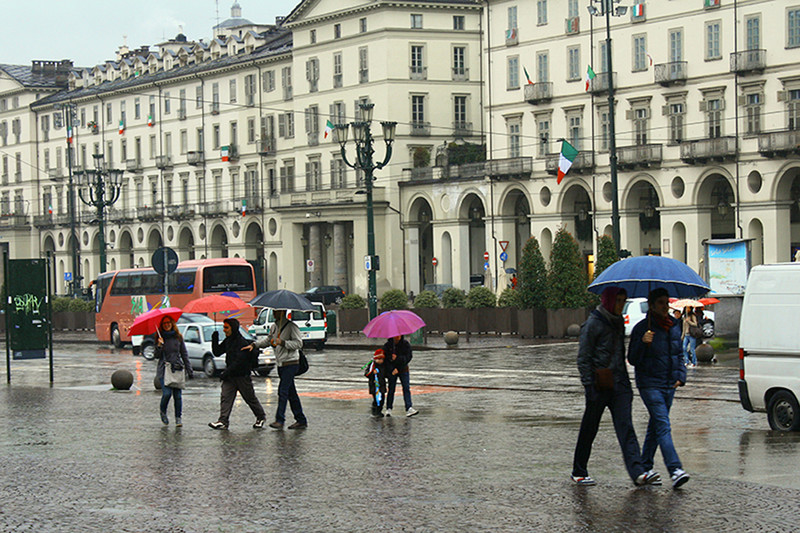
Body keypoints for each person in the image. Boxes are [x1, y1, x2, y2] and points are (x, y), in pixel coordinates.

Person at [571, 286, 660, 487]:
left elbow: (622, 355)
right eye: (618, 300)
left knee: (626, 427)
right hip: (599, 384)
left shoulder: (618, 322)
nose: (621, 305)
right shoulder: (593, 324)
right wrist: (589, 386)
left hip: (620, 385)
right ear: (609, 301)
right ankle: (579, 470)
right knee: (589, 428)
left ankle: (637, 472)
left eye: (623, 300)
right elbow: (583, 358)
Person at [628, 287, 691, 489]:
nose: (666, 307)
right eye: (661, 303)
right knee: (663, 424)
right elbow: (633, 359)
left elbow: (678, 354)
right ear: (653, 305)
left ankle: (645, 467)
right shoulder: (642, 328)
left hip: (669, 383)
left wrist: (680, 376)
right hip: (649, 383)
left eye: (667, 303)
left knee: (656, 426)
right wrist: (643, 343)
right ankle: (675, 469)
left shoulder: (672, 325)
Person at [250, 309, 307, 429]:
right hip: (281, 363)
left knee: (283, 391)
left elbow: (298, 343)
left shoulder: (292, 327)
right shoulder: (274, 327)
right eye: (274, 312)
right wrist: (255, 344)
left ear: (283, 312)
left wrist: (282, 342)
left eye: (276, 312)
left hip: (291, 363)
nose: (274, 314)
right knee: (291, 393)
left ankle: (280, 420)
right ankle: (301, 419)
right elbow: (268, 340)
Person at [208, 318, 267, 430]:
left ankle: (261, 417)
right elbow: (217, 352)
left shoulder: (241, 342)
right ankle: (223, 421)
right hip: (230, 376)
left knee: (250, 398)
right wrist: (214, 339)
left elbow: (239, 362)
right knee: (226, 397)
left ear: (233, 328)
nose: (224, 330)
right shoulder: (228, 340)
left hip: (241, 376)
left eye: (226, 327)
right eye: (223, 327)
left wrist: (225, 372)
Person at [155, 316, 193, 426]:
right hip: (164, 370)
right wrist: (159, 345)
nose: (166, 325)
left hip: (176, 369)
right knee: (166, 394)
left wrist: (189, 369)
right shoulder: (159, 337)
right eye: (164, 323)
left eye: (168, 323)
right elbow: (156, 356)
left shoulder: (178, 337)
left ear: (172, 324)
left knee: (178, 396)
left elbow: (184, 354)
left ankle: (178, 418)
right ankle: (163, 411)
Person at [383, 335, 418, 417]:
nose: (397, 336)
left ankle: (409, 407)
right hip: (392, 371)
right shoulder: (388, 346)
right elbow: (386, 360)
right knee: (391, 388)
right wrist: (392, 368)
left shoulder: (405, 344)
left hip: (403, 369)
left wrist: (397, 360)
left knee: (406, 388)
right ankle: (389, 408)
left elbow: (408, 357)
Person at [365, 349, 388, 417]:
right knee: (376, 399)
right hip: (374, 385)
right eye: (379, 359)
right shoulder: (372, 365)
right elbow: (367, 374)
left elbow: (386, 373)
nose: (381, 361)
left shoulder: (384, 365)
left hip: (382, 384)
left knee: (382, 399)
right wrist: (372, 373)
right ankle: (375, 411)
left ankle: (379, 410)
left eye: (382, 359)